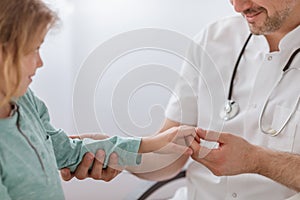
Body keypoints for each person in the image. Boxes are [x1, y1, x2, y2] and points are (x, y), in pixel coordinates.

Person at [64, 0, 300, 199]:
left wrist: (257, 160)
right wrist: (117, 151)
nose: (238, 6)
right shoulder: (214, 38)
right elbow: (169, 154)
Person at [0, 0, 201, 199]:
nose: (40, 62)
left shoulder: (26, 102)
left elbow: (67, 151)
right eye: (33, 49)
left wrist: (153, 143)